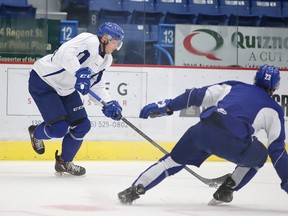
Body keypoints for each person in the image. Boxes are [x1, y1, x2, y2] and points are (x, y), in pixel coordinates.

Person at [118, 64, 288, 205]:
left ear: (255, 78)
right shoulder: (274, 110)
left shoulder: (233, 86)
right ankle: (226, 190)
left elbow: (196, 95)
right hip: (233, 144)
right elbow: (277, 151)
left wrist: (168, 106)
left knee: (170, 162)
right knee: (260, 155)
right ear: (275, 87)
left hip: (204, 131)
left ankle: (133, 190)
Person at [28, 22, 124, 176]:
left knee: (83, 125)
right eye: (115, 42)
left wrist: (108, 103)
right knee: (59, 128)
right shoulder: (89, 40)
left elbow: (95, 84)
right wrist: (79, 72)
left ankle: (64, 162)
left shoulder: (107, 59)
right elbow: (63, 54)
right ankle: (36, 134)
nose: (116, 47)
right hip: (43, 81)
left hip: (66, 89)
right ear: (105, 38)